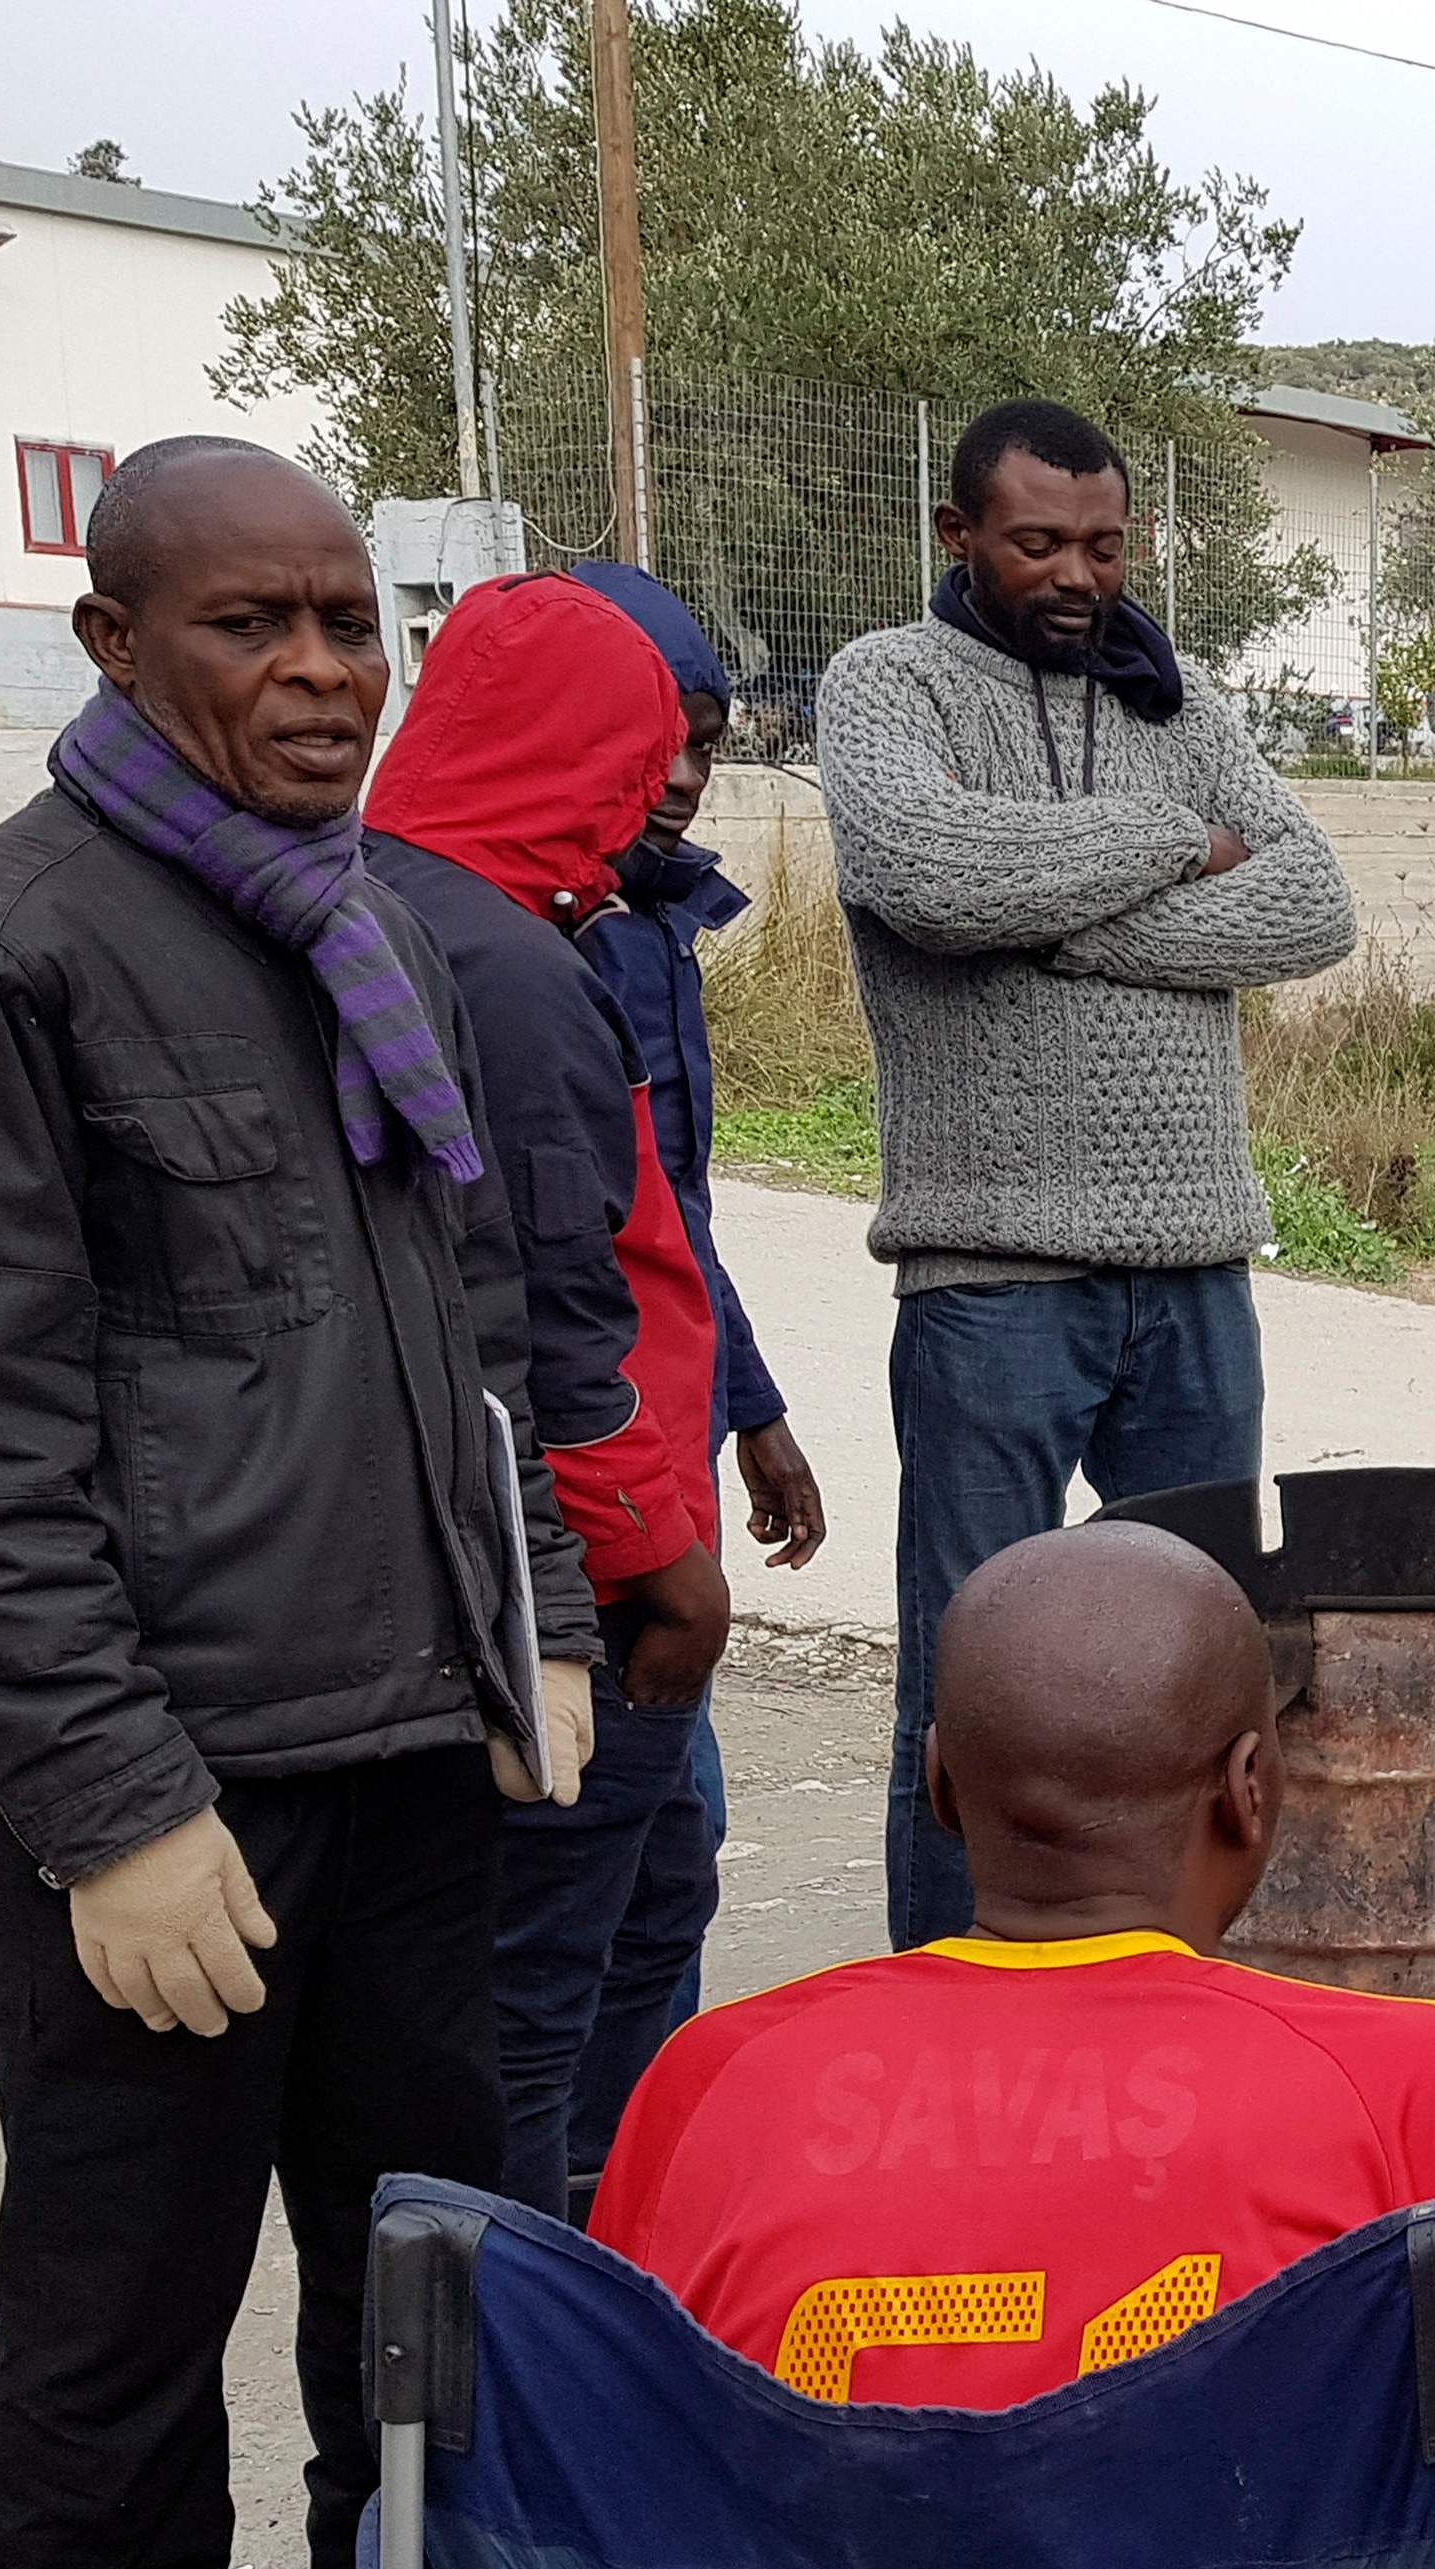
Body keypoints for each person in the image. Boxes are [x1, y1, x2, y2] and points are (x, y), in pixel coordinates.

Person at [0, 436, 596, 2569]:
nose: (327, 670)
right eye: (255, 624)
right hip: (176, 1804)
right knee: (115, 2343)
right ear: (116, 641)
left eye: (356, 621)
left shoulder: (375, 938)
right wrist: (110, 1803)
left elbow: (475, 1342)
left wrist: (531, 1604)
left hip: (410, 1753)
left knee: (429, 2298)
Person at [589, 1521, 1435, 2569]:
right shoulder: (1416, 2084)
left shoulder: (713, 2081)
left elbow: (602, 2521)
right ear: (1250, 1789)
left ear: (938, 1785)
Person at [815, 397, 1358, 1950]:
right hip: (988, 1276)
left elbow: (1313, 907)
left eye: (1105, 544)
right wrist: (1171, 848)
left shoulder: (1176, 703)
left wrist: (1038, 911)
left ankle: (1184, 1993)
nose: (1076, 574)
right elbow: (920, 870)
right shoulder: (890, 685)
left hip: (1194, 1268)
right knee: (976, 1680)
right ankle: (950, 2008)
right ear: (959, 536)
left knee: (1205, 1665)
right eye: (1039, 540)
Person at [366, 571, 735, 2219]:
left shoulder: (391, 901)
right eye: (641, 746)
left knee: (647, 1901)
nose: (656, 785)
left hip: (513, 1538)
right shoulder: (504, 968)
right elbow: (556, 1303)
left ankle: (611, 2239)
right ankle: (525, 2347)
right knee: (529, 1995)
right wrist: (660, 1559)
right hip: (577, 1568)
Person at [569, 560, 829, 2055]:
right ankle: (592, 2211)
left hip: (665, 1459)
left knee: (664, 1851)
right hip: (587, 1501)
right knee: (625, 1857)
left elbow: (675, 1217)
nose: (682, 772)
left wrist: (755, 1408)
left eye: (710, 738)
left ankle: (623, 2181)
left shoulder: (642, 917)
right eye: (654, 726)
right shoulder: (517, 939)